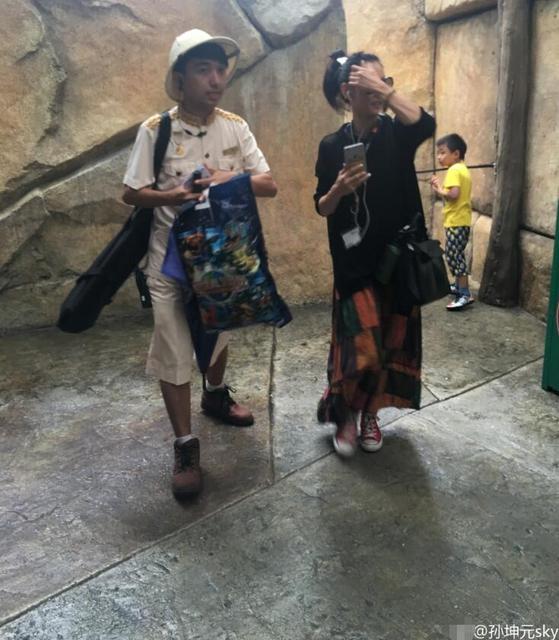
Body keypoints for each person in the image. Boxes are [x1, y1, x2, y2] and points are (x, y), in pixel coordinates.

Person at [122, 29, 277, 498]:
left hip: (221, 259)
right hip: (169, 262)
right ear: (181, 78)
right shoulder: (155, 130)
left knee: (218, 334)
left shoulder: (235, 126)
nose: (216, 79)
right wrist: (173, 195)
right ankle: (185, 446)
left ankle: (215, 395)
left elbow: (268, 184)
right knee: (174, 351)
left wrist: (229, 177)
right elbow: (132, 192)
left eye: (220, 69)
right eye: (203, 70)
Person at [314, 50, 435, 457]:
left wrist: (384, 89)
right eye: (365, 83)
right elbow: (322, 207)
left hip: (398, 261)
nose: (377, 90)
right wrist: (338, 189)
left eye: (383, 81)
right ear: (346, 92)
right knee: (360, 349)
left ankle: (368, 415)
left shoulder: (396, 134)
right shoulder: (332, 145)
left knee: (388, 344)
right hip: (353, 264)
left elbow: (426, 124)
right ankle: (345, 412)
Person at [430, 134, 474, 310]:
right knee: (453, 253)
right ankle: (458, 286)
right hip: (461, 220)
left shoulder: (454, 170)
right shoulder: (462, 169)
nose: (439, 157)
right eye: (438, 153)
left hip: (456, 221)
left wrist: (438, 189)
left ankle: (464, 294)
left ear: (456, 154)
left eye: (442, 152)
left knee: (454, 255)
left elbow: (453, 194)